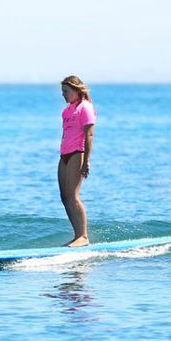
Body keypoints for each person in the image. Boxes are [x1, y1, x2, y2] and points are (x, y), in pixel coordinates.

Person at [58, 76, 96, 247]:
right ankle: (77, 236)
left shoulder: (85, 108)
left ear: (75, 90)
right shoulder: (67, 110)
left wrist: (86, 160)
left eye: (66, 91)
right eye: (62, 92)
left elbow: (89, 135)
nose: (63, 95)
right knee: (64, 197)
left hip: (77, 153)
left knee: (73, 196)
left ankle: (83, 236)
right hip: (64, 155)